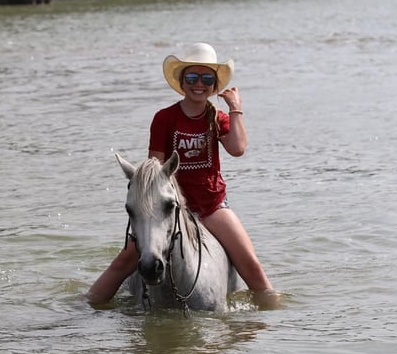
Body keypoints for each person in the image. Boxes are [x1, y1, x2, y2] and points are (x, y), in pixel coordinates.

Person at [85, 42, 280, 310]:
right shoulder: (164, 118)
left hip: (211, 206)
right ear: (181, 81)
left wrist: (235, 108)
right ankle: (84, 309)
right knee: (123, 262)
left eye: (206, 79)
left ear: (214, 85)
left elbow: (238, 148)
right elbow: (155, 170)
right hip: (169, 208)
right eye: (191, 77)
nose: (198, 84)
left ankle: (273, 316)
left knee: (250, 263)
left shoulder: (217, 117)